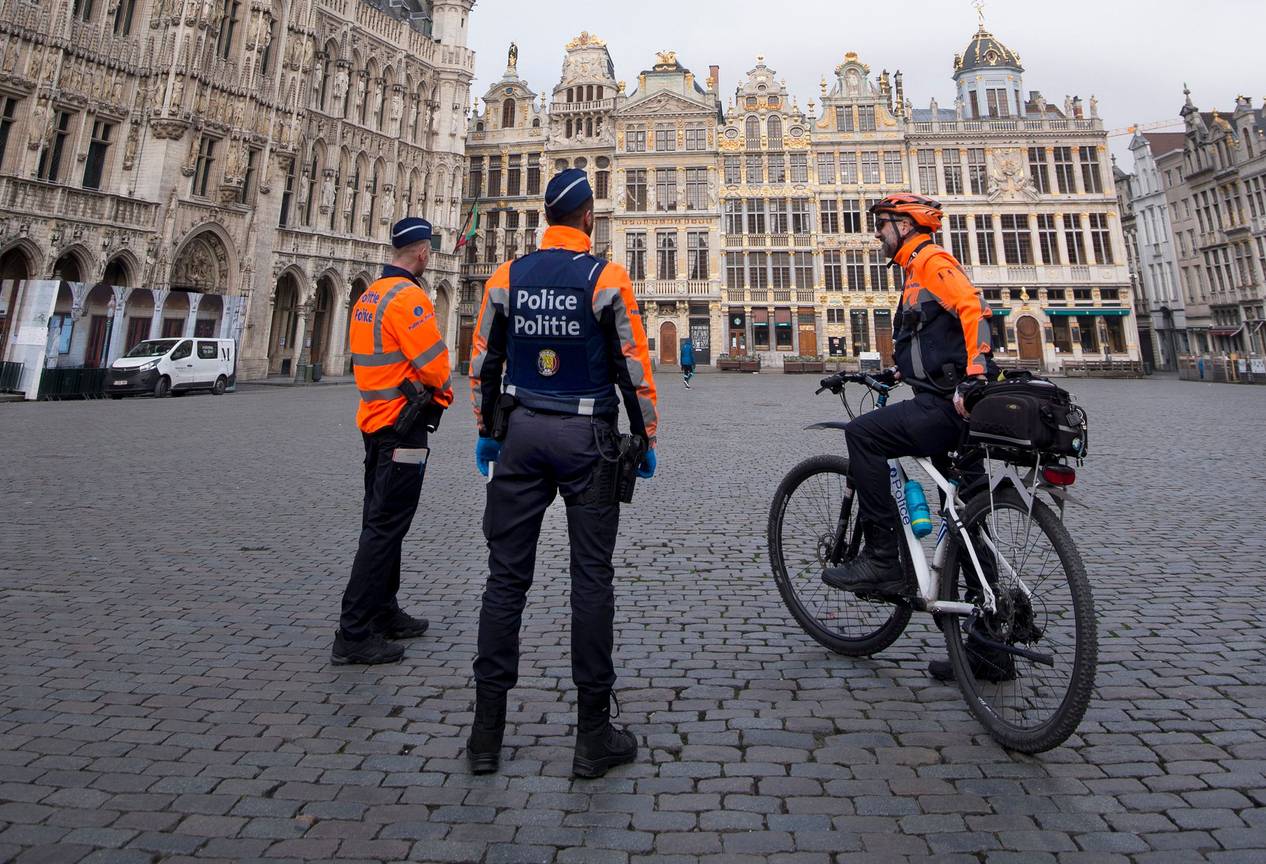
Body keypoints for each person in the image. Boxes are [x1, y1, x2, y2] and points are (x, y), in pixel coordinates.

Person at [466, 169, 659, 778]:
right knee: (591, 579)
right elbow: (633, 366)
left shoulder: (506, 276)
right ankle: (593, 737)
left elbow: (483, 359)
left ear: (545, 218)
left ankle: (485, 735)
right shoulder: (607, 277)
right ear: (588, 219)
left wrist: (487, 429)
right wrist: (646, 437)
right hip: (586, 438)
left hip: (521, 433)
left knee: (505, 581)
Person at [820, 193, 1010, 683]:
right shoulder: (912, 273)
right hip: (953, 404)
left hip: (947, 407)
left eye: (883, 224)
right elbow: (934, 341)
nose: (877, 233)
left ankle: (883, 559)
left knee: (863, 435)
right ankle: (991, 646)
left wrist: (976, 375)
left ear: (905, 226)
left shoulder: (931, 262)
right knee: (967, 519)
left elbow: (974, 311)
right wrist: (897, 372)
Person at [332, 217, 454, 666]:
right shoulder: (409, 298)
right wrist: (442, 393)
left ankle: (384, 610)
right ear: (422, 253)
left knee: (382, 521)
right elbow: (436, 366)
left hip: (373, 421)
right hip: (403, 427)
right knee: (385, 527)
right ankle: (353, 632)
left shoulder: (371, 295)